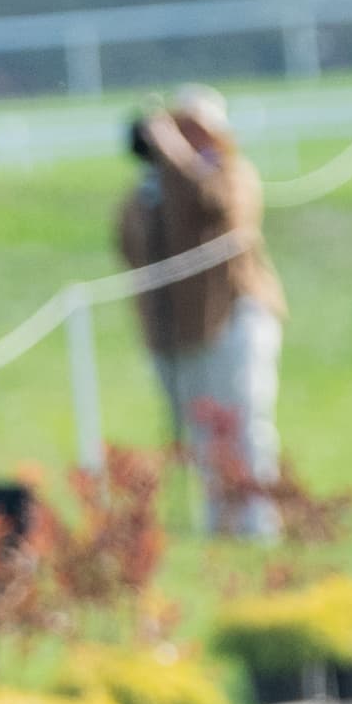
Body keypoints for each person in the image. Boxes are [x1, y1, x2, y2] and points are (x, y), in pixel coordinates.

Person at [118, 85, 284, 536]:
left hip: (235, 318)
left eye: (193, 130)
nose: (180, 138)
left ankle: (257, 523)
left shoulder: (232, 173)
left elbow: (217, 206)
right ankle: (221, 526)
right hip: (181, 331)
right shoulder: (152, 192)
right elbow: (127, 244)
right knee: (203, 435)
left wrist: (172, 153)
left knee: (245, 424)